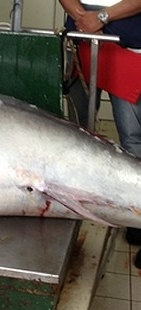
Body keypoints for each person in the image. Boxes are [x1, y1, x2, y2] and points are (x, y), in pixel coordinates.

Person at [59, 0, 141, 267]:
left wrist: (102, 17)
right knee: (79, 131)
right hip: (84, 40)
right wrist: (81, 17)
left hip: (129, 48)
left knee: (132, 137)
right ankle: (87, 198)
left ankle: (136, 213)